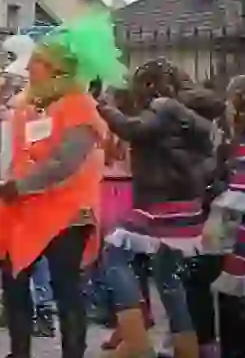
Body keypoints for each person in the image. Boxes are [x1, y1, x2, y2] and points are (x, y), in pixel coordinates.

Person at [0, 13, 125, 358]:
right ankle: (19, 353)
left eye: (39, 63)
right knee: (15, 287)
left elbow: (64, 165)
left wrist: (17, 186)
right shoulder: (30, 105)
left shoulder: (80, 107)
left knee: (66, 291)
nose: (30, 69)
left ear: (58, 70)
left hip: (67, 215)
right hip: (24, 210)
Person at [95, 59, 220, 358]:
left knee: (114, 255)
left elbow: (134, 129)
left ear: (149, 85)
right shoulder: (187, 111)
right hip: (185, 204)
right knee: (167, 278)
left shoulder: (163, 106)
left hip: (161, 202)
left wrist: (102, 106)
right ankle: (186, 349)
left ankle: (137, 342)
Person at [202, 73, 245, 358]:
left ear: (242, 101)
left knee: (238, 343)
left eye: (229, 101)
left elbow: (241, 202)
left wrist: (211, 244)